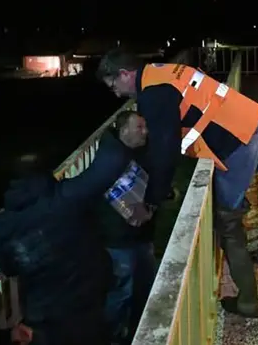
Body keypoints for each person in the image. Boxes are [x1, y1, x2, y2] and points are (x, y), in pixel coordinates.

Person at [96, 52, 258, 319]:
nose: (118, 94)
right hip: (253, 123)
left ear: (124, 74)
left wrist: (151, 200)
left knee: (228, 225)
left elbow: (164, 151)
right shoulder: (163, 70)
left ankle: (247, 301)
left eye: (114, 86)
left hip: (235, 147)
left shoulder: (152, 94)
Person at [0, 133, 135, 345]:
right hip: (85, 308)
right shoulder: (65, 198)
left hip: (41, 319)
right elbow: (111, 162)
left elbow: (9, 268)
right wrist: (113, 133)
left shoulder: (1, 225)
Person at [98, 111, 157, 344]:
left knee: (144, 287)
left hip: (140, 236)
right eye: (140, 127)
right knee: (122, 292)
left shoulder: (134, 153)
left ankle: (140, 333)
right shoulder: (111, 161)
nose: (146, 132)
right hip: (119, 241)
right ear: (124, 131)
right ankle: (113, 337)